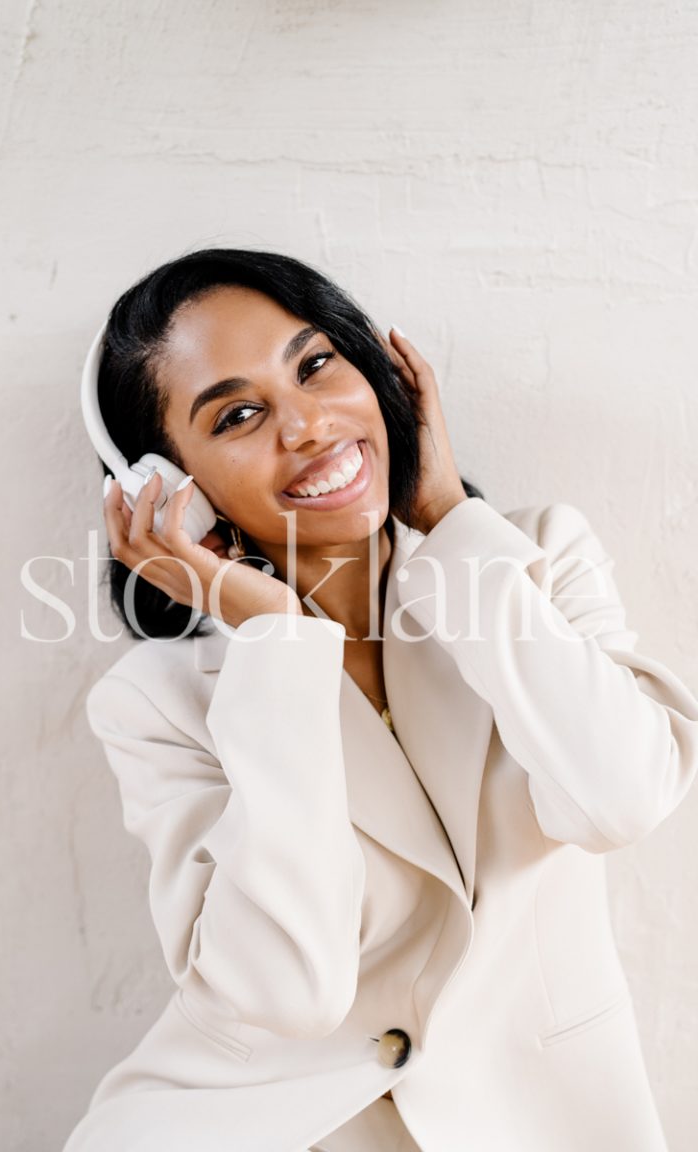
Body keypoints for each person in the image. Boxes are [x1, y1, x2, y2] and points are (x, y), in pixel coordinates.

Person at [63, 248, 698, 1152]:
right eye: (240, 414)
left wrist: (449, 530)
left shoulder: (535, 560)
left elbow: (620, 796)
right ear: (170, 492)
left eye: (317, 365)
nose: (311, 425)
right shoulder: (155, 706)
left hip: (540, 1119)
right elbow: (291, 990)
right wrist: (277, 643)